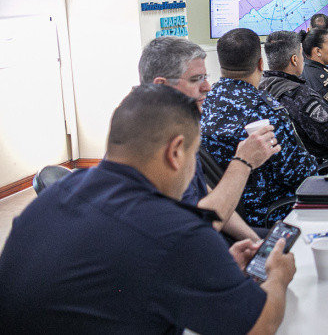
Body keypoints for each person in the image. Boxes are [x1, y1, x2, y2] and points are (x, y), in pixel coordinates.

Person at [0, 85, 297, 334]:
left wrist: (209, 270)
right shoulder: (174, 230)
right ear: (175, 152)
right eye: (194, 156)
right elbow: (260, 326)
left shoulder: (54, 195)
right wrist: (278, 276)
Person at [139, 37, 278, 242]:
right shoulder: (148, 146)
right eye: (196, 79)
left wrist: (257, 242)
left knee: (278, 244)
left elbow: (203, 193)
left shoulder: (178, 129)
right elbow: (195, 230)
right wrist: (244, 162)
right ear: (162, 86)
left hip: (205, 233)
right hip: (185, 246)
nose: (208, 87)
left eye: (206, 77)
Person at [201, 28, 318, 226]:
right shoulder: (266, 111)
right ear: (260, 63)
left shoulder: (203, 103)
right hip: (271, 215)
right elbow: (298, 173)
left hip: (222, 213)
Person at [259, 31, 328, 164]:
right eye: (301, 55)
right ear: (294, 59)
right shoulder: (301, 96)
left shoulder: (261, 89)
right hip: (321, 166)